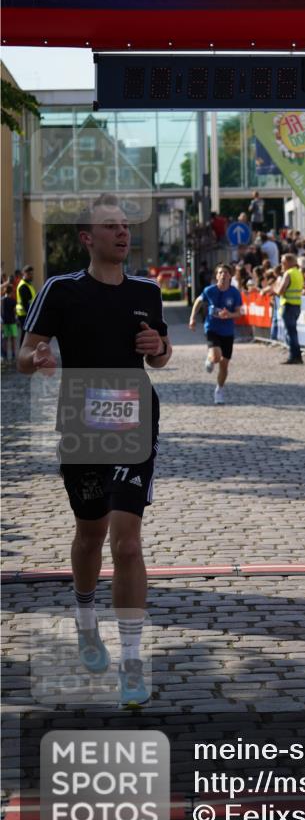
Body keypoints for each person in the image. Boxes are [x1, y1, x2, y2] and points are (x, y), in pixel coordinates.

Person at [18, 194, 172, 708]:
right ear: (88, 238)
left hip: (135, 417)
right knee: (90, 534)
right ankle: (86, 620)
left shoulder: (148, 290)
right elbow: (24, 353)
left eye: (125, 226)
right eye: (111, 227)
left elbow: (161, 356)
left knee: (127, 542)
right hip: (83, 417)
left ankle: (131, 660)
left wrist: (160, 349)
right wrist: (35, 357)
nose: (122, 233)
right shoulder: (61, 290)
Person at [189, 263, 243, 404]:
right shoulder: (209, 290)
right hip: (212, 329)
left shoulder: (234, 293)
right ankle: (211, 358)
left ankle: (219, 389)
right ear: (217, 275)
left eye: (226, 273)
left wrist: (229, 314)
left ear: (230, 276)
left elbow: (239, 312)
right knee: (216, 356)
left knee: (224, 365)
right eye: (220, 273)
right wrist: (192, 317)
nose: (223, 275)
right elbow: (198, 302)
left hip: (228, 332)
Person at [276, 253, 304, 364]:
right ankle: (297, 356)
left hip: (288, 305)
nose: (281, 264)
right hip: (297, 305)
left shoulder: (288, 273)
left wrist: (276, 288)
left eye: (283, 262)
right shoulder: (298, 273)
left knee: (291, 333)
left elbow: (280, 291)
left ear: (288, 262)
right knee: (293, 332)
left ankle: (294, 356)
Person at [16, 264, 37, 343]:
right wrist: (31, 315)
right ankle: (23, 352)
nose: (31, 276)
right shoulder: (23, 286)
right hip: (24, 314)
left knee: (26, 335)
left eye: (32, 274)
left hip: (26, 314)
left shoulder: (28, 285)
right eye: (29, 274)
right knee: (25, 335)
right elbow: (25, 303)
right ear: (24, 274)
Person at [2, 280, 18, 361]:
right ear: (11, 291)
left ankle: (4, 355)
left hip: (5, 321)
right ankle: (13, 355)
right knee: (13, 340)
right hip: (12, 322)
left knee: (5, 339)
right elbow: (15, 311)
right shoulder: (13, 301)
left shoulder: (3, 300)